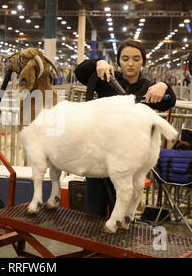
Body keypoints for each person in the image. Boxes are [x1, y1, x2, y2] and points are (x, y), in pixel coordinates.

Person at [74, 39, 177, 218]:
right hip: (100, 156)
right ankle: (92, 246)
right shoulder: (107, 79)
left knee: (122, 212)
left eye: (136, 59)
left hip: (128, 161)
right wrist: (98, 62)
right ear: (119, 61)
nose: (130, 63)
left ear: (143, 61)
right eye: (125, 58)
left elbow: (169, 101)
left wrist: (165, 86)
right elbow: (81, 72)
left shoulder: (148, 87)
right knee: (93, 213)